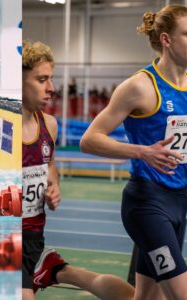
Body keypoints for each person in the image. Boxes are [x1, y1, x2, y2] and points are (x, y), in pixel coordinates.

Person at [80, 5, 187, 300]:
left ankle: (61, 272)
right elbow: (90, 139)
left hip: (180, 202)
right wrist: (141, 152)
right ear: (167, 39)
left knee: (144, 299)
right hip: (146, 204)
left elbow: (180, 134)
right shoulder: (139, 87)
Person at [22, 40, 134, 300]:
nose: (51, 88)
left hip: (34, 240)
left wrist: (54, 187)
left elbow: (50, 168)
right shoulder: (4, 131)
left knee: (84, 277)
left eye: (51, 79)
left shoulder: (48, 125)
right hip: (5, 240)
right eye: (41, 80)